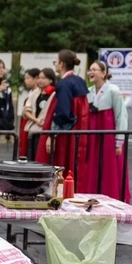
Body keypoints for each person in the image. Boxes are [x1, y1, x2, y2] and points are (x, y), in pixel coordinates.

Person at [36, 50, 90, 189]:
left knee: (60, 164)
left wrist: (52, 134)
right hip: (77, 131)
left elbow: (63, 112)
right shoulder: (80, 81)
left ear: (62, 64)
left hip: (65, 134)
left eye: (56, 61)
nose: (55, 64)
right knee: (74, 164)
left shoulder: (65, 84)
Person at [84, 61, 130, 202]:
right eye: (90, 69)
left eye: (95, 70)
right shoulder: (89, 92)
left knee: (109, 167)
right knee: (92, 166)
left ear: (104, 73)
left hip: (108, 136)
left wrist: (119, 141)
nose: (91, 72)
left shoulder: (113, 90)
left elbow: (121, 115)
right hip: (93, 136)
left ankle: (112, 197)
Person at [23, 68, 56, 160]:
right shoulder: (35, 93)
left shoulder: (54, 94)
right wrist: (36, 120)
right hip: (33, 130)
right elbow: (26, 110)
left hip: (46, 130)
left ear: (50, 80)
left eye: (43, 78)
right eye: (39, 78)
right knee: (31, 156)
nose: (40, 80)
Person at [18, 69, 40, 157]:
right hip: (26, 121)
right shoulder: (31, 92)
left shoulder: (38, 92)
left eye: (28, 78)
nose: (25, 81)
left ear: (35, 79)